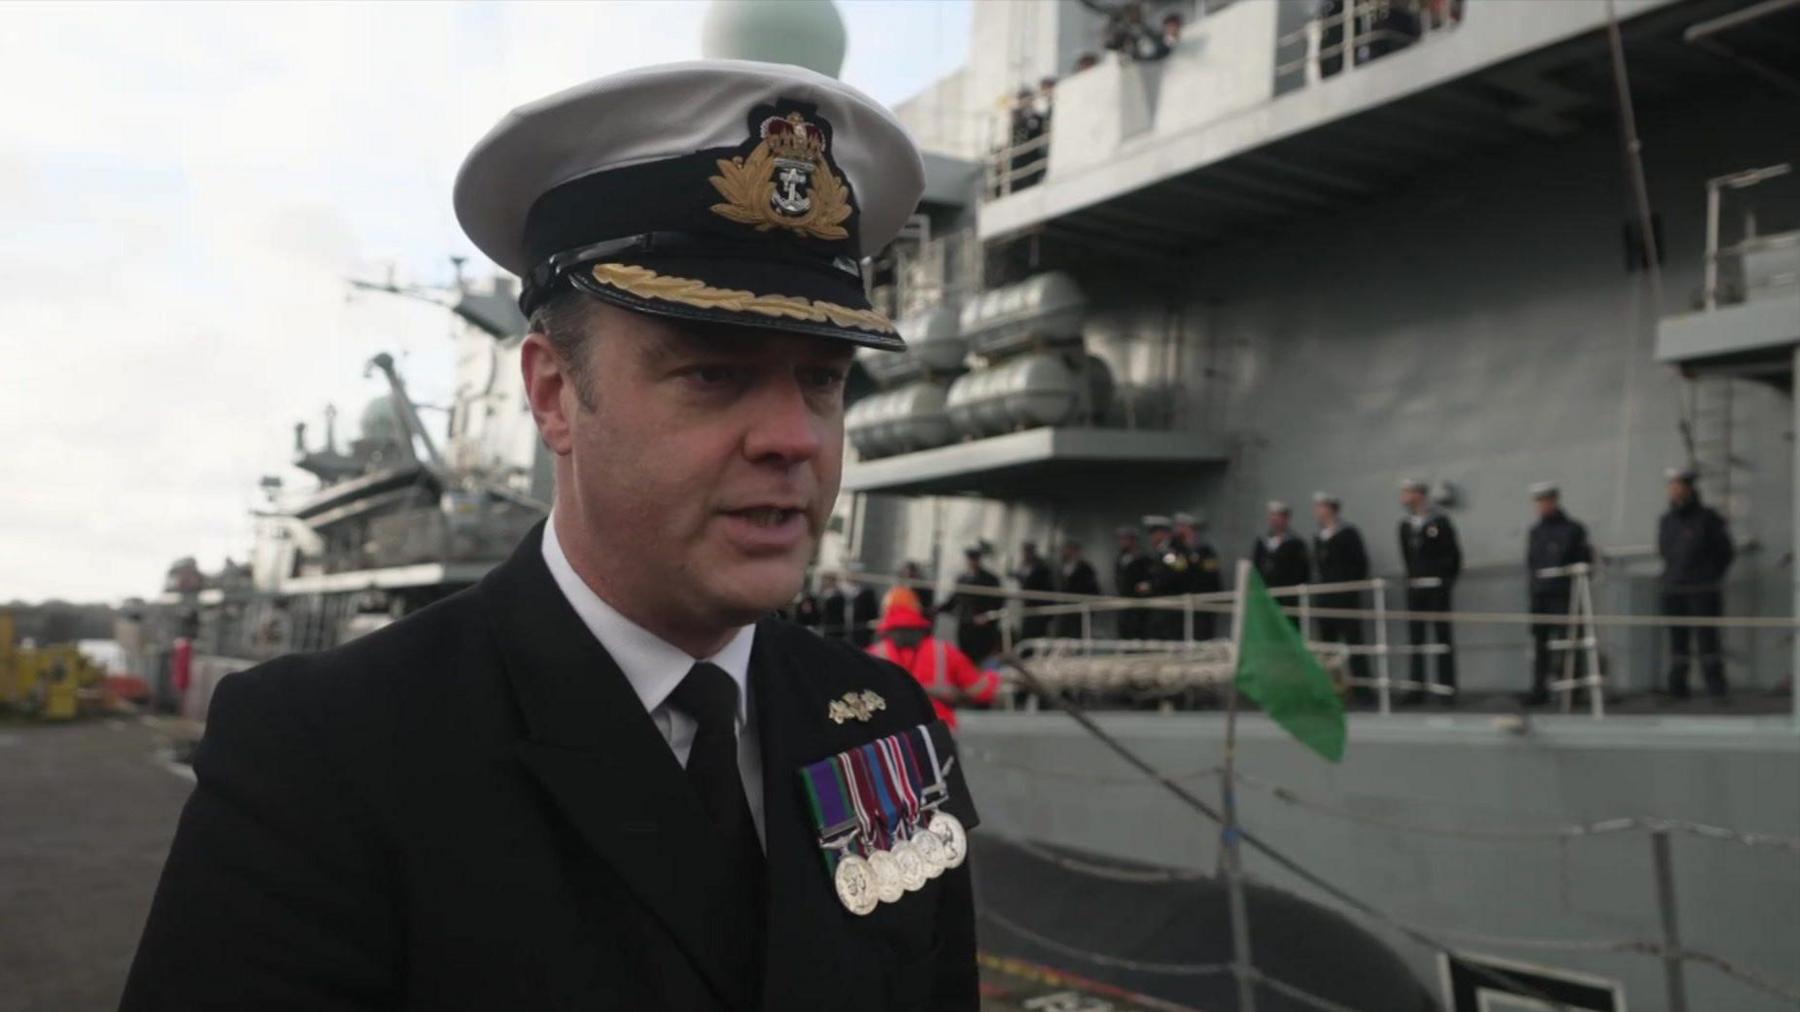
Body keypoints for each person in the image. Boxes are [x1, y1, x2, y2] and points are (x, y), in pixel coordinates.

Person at [122, 61, 980, 1011]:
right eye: (713, 373)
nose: (795, 438)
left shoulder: (882, 717)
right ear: (554, 393)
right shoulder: (323, 758)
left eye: (822, 379)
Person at [1659, 466, 1734, 699]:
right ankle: (1677, 688)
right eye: (1671, 486)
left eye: (1678, 485)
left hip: (1702, 588)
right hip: (1674, 587)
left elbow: (1725, 552)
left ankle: (1716, 689)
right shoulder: (1667, 521)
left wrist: (1709, 576)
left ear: (1689, 488)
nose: (1673, 490)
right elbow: (1665, 551)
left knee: (1707, 640)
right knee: (1677, 641)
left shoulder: (1708, 519)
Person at [868, 602, 1000, 730]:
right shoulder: (944, 650)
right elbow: (979, 690)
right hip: (938, 727)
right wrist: (995, 677)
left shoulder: (874, 654)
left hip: (891, 731)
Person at [1524, 483, 1594, 706]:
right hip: (1541, 596)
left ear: (1554, 501)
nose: (1542, 506)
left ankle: (1570, 690)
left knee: (1568, 643)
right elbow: (1532, 565)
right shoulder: (1536, 532)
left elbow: (1584, 562)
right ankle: (1540, 690)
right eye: (1539, 502)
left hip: (1564, 595)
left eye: (1545, 501)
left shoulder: (1573, 530)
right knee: (1541, 646)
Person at [1398, 478, 1462, 704]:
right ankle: (1416, 687)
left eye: (1407, 492)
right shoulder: (1405, 526)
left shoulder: (1440, 522)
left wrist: (1444, 580)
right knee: (1416, 639)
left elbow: (1453, 555)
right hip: (1416, 587)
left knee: (1442, 637)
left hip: (1436, 586)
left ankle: (1446, 688)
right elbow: (1407, 557)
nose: (1404, 497)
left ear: (1419, 494)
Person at [1311, 493, 1371, 695]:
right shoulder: (1319, 536)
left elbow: (1360, 564)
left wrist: (1350, 588)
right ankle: (1333, 687)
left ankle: (1363, 688)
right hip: (1325, 596)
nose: (1317, 511)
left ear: (1331, 509)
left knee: (1354, 642)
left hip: (1345, 597)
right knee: (1328, 645)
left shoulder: (1348, 534)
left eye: (1321, 507)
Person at [939, 545, 1003, 665]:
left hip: (982, 627)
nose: (972, 562)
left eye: (975, 558)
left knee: (980, 657)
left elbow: (998, 602)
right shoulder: (962, 578)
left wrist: (987, 617)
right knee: (965, 656)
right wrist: (937, 609)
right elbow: (955, 599)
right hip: (965, 623)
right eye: (970, 559)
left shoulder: (990, 579)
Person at [1174, 512, 1223, 639]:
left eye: (1183, 527)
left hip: (1202, 602)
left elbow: (1212, 575)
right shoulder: (1177, 551)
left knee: (1202, 635)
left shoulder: (1206, 551)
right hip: (1183, 603)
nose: (1180, 531)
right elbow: (1177, 572)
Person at [1252, 501, 1311, 589]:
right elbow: (1256, 567)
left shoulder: (1296, 544)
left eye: (1278, 516)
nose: (1274, 519)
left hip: (1287, 589)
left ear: (1286, 519)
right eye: (1272, 515)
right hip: (1266, 589)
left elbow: (1301, 571)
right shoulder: (1262, 542)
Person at [1113, 525, 1154, 640]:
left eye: (1124, 539)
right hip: (1124, 605)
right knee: (1125, 635)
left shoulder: (1143, 558)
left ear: (1132, 540)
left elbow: (1148, 579)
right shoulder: (1120, 559)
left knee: (1139, 635)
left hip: (1139, 606)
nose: (1121, 542)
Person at [1055, 540, 1101, 638]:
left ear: (1076, 552)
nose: (1067, 552)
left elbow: (1094, 590)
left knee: (1077, 636)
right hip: (1063, 611)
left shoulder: (1086, 569)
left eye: (1070, 550)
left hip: (1078, 612)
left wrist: (1088, 608)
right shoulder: (1061, 568)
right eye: (1066, 549)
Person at [1013, 541, 1056, 643]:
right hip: (1025, 605)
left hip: (1037, 607)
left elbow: (1045, 588)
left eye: (1028, 551)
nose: (1026, 554)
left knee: (1035, 634)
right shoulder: (1023, 566)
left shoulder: (1041, 568)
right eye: (1025, 551)